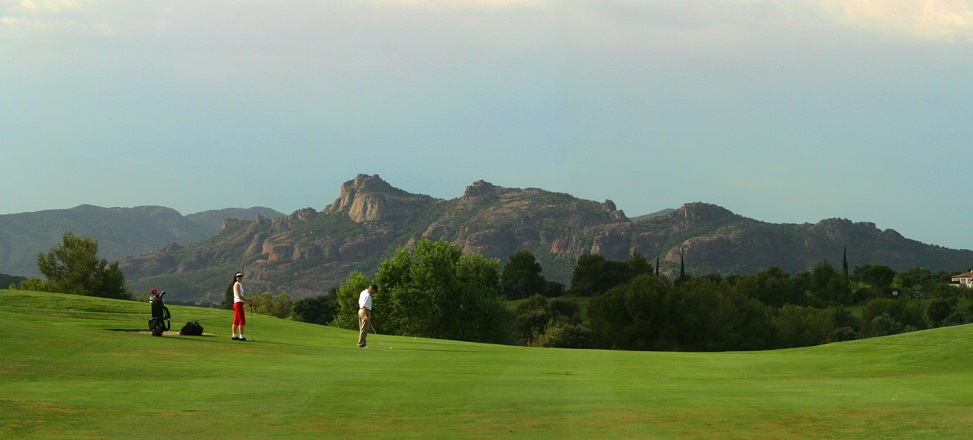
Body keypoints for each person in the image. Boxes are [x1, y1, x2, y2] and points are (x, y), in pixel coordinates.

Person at [232, 272, 252, 341]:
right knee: (242, 320)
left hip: (238, 303)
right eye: (238, 276)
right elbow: (239, 296)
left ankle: (234, 336)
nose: (240, 277)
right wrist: (248, 301)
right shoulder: (237, 284)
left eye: (241, 276)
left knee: (236, 320)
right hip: (238, 303)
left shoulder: (239, 284)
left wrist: (246, 300)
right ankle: (241, 336)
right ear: (236, 278)